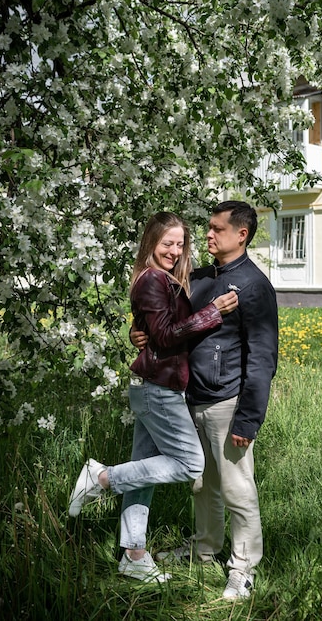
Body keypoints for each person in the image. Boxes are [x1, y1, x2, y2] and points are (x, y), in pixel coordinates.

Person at [68, 211, 238, 584]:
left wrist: (138, 329)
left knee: (142, 474)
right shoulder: (151, 280)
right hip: (159, 388)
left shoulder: (165, 280)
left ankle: (134, 555)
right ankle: (101, 478)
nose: (174, 251)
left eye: (180, 244)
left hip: (153, 384)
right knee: (191, 464)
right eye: (167, 244)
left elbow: (154, 328)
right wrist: (213, 312)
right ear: (151, 243)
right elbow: (165, 335)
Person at [132, 201, 278, 599]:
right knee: (201, 484)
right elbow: (166, 325)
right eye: (208, 229)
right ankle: (205, 549)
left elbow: (262, 359)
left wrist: (248, 419)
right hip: (188, 398)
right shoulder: (198, 279)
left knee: (236, 487)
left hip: (227, 403)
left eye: (217, 229)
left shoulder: (252, 285)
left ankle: (243, 568)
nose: (208, 236)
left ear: (241, 234)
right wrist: (138, 333)